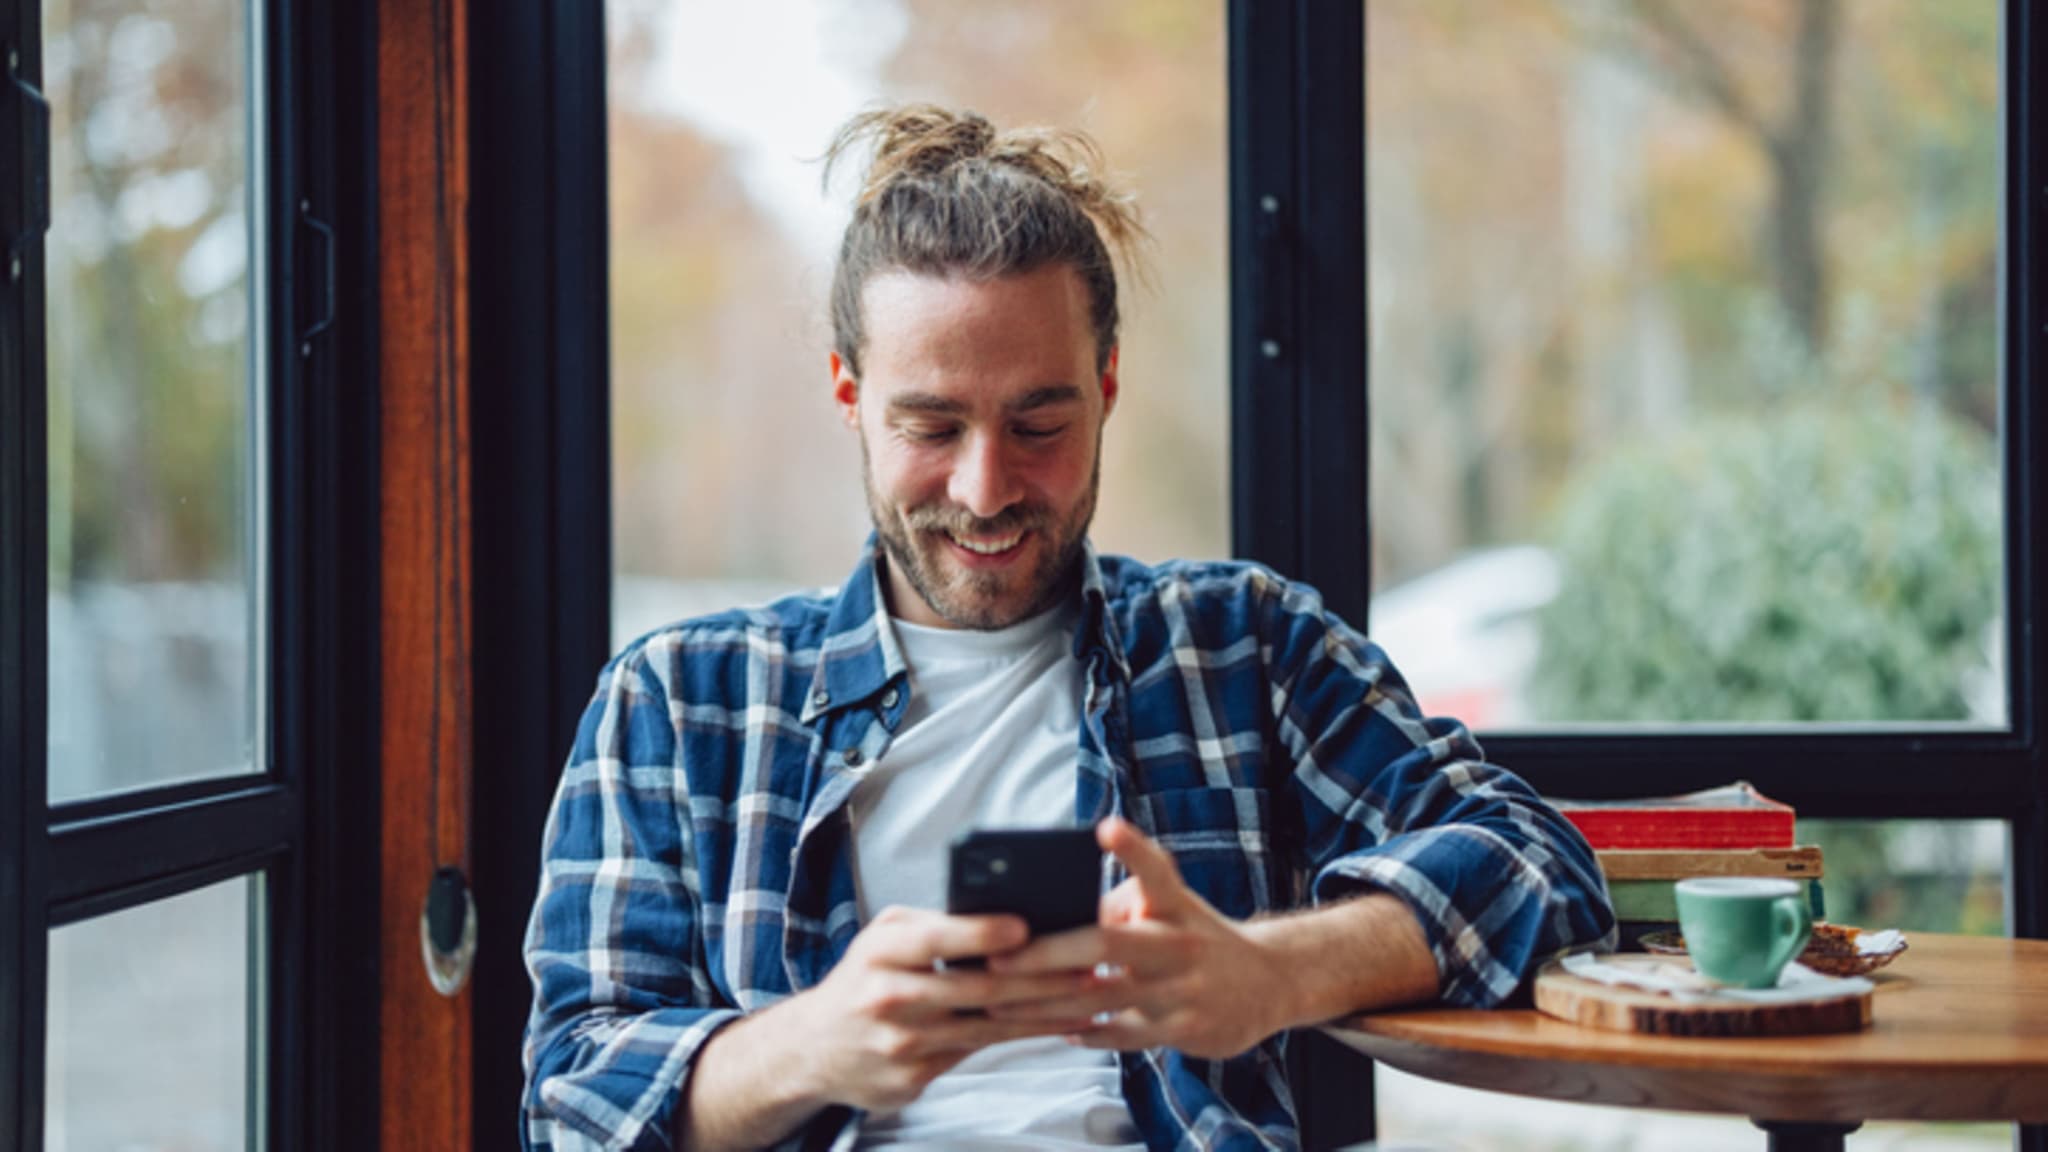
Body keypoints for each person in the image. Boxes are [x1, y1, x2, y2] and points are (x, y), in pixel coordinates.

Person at [521, 104, 1614, 1152]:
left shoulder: (1245, 645)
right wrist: (809, 1045)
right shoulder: (678, 700)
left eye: (1039, 424)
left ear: (1106, 386)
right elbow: (572, 1103)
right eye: (931, 426)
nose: (986, 489)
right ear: (849, 395)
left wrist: (1265, 975)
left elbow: (1540, 867)